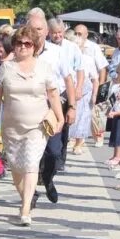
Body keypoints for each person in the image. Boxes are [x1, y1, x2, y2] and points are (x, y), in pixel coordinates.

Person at [0, 26, 64, 226]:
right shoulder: (5, 68)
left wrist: (60, 117)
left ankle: (25, 210)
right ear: (13, 46)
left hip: (37, 125)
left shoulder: (44, 67)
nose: (23, 47)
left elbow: (53, 94)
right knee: (16, 167)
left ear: (34, 46)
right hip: (11, 126)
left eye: (27, 44)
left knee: (31, 164)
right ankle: (28, 196)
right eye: (18, 43)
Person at [26, 11, 76, 205]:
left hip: (53, 108)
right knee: (30, 152)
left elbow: (68, 80)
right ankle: (29, 195)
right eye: (32, 29)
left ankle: (47, 178)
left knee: (54, 152)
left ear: (46, 31)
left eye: (39, 29)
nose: (36, 33)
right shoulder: (22, 51)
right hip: (29, 108)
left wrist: (72, 107)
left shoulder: (57, 52)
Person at [48, 18, 84, 168]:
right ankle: (51, 157)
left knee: (65, 125)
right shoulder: (45, 48)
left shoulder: (72, 48)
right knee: (52, 125)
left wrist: (78, 89)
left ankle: (61, 160)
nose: (57, 35)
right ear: (49, 32)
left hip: (65, 91)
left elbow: (80, 70)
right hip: (50, 92)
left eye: (60, 32)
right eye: (54, 33)